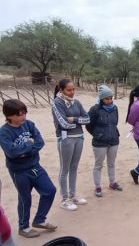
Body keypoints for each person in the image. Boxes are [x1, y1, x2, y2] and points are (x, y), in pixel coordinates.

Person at [0, 99, 57, 238]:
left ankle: (39, 220)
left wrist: (25, 151)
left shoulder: (29, 125)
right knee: (25, 198)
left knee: (50, 190)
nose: (23, 117)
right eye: (20, 114)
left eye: (25, 113)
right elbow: (11, 152)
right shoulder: (4, 132)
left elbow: (40, 142)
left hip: (35, 166)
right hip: (18, 171)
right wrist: (28, 144)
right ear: (10, 115)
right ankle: (24, 227)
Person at [52, 79, 90, 211]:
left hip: (79, 137)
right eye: (69, 90)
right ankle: (64, 199)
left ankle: (73, 195)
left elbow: (88, 119)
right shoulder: (57, 103)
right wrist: (79, 122)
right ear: (61, 90)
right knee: (65, 169)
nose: (72, 92)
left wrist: (74, 119)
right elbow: (63, 124)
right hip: (65, 139)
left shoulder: (77, 102)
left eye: (73, 89)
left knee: (74, 167)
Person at [86, 85, 122, 197]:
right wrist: (98, 135)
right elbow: (88, 125)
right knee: (98, 165)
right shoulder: (95, 109)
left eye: (111, 98)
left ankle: (112, 183)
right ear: (101, 99)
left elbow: (115, 122)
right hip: (99, 143)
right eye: (107, 98)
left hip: (113, 141)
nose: (110, 100)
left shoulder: (115, 108)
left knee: (111, 164)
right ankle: (97, 186)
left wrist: (114, 134)